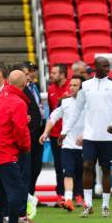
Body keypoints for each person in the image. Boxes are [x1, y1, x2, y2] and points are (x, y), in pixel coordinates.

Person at [62, 56, 112, 217]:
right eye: (103, 65)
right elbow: (76, 111)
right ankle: (88, 205)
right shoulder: (86, 86)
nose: (107, 68)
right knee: (87, 166)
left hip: (109, 137)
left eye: (108, 65)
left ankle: (105, 205)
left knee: (106, 169)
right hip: (90, 136)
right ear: (95, 67)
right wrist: (64, 131)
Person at [0, 70, 31, 223]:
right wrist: (25, 147)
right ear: (23, 84)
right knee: (17, 190)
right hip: (7, 151)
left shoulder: (3, 95)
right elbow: (20, 130)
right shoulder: (19, 103)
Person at [40, 75, 85, 211]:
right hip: (68, 145)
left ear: (82, 88)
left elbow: (95, 122)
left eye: (75, 85)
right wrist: (45, 133)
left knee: (83, 173)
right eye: (70, 85)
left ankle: (82, 197)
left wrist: (85, 135)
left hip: (85, 146)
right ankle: (69, 199)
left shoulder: (89, 104)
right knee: (68, 172)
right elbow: (53, 118)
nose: (71, 88)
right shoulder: (65, 103)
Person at [21, 62, 45, 200]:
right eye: (27, 71)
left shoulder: (34, 86)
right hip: (29, 132)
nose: (31, 73)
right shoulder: (21, 90)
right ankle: (27, 196)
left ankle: (31, 195)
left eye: (33, 70)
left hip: (38, 131)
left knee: (36, 166)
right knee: (28, 167)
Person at [47, 63, 70, 205]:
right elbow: (52, 112)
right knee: (58, 165)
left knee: (72, 165)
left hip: (70, 134)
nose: (51, 75)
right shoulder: (50, 89)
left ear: (62, 74)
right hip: (56, 134)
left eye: (54, 73)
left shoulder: (72, 87)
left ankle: (75, 193)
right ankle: (60, 194)